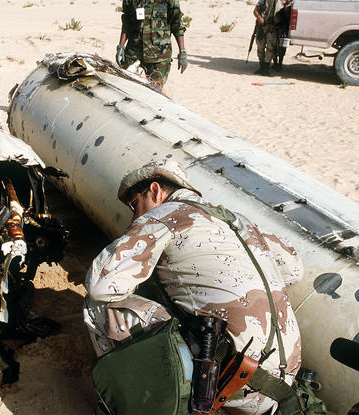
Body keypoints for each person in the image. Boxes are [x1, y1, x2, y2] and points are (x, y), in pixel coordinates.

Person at [84, 160, 303, 414]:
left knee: (97, 304)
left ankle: (130, 398)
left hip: (226, 380)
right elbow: (294, 269)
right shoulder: (237, 220)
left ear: (155, 191)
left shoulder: (166, 214)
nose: (134, 215)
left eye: (134, 205)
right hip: (279, 387)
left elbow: (100, 285)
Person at [116, 0, 188, 89]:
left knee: (155, 91)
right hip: (133, 54)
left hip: (158, 57)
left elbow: (176, 24)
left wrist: (182, 52)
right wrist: (121, 46)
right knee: (128, 88)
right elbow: (127, 22)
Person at [253, 0, 283, 75]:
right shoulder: (264, 1)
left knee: (270, 48)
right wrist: (260, 19)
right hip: (262, 27)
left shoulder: (280, 3)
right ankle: (262, 67)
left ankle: (266, 68)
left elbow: (282, 15)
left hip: (272, 28)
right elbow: (255, 11)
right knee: (260, 46)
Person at [273, 0, 293, 71]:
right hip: (278, 30)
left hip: (285, 31)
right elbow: (276, 20)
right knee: (274, 46)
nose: (286, 6)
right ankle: (275, 63)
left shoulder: (291, 12)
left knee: (283, 48)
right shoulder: (280, 12)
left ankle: (280, 64)